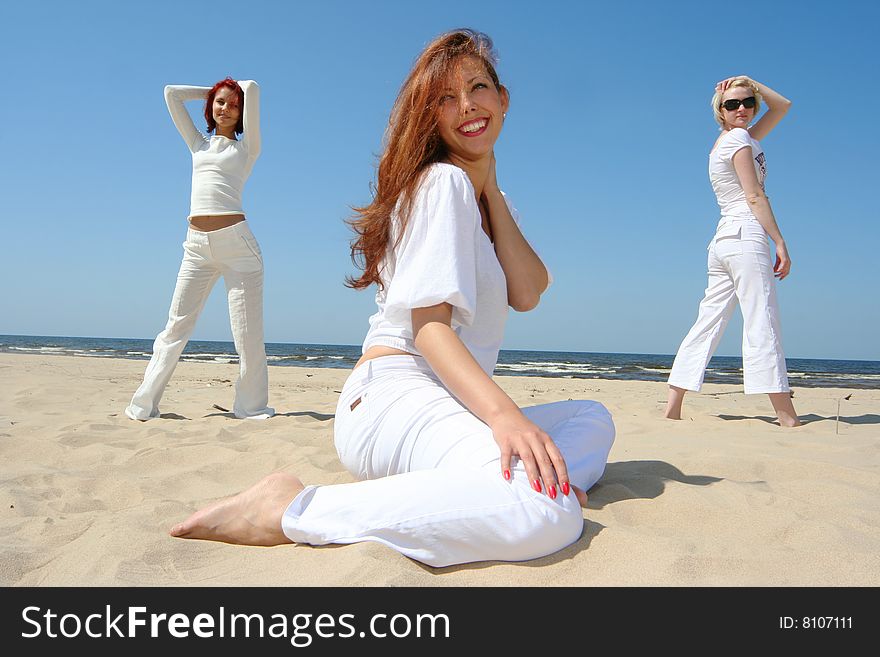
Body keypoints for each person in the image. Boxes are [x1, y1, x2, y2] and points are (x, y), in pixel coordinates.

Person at [170, 29, 615, 567]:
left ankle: (506, 484)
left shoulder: (484, 199)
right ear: (429, 117)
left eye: (478, 88)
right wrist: (504, 418)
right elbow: (429, 328)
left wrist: (492, 190)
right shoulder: (441, 185)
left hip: (447, 402)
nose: (468, 106)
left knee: (592, 417)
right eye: (446, 98)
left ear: (504, 99)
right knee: (547, 513)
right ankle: (289, 508)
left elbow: (528, 292)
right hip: (392, 395)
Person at [125, 77, 274, 421]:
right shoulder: (198, 144)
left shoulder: (247, 149)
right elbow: (171, 95)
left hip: (238, 246)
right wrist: (211, 91)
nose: (226, 108)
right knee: (176, 326)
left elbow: (251, 87)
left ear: (243, 114)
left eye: (233, 105)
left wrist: (237, 87)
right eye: (220, 103)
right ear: (210, 107)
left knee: (247, 334)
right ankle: (144, 405)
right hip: (195, 247)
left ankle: (250, 407)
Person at [665, 76, 800, 427]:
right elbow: (754, 195)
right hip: (745, 234)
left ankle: (673, 405)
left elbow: (782, 106)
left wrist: (749, 81)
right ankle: (786, 416)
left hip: (724, 239)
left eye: (748, 103)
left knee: (708, 321)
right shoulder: (740, 139)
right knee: (762, 319)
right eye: (732, 104)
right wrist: (780, 241)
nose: (742, 109)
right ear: (720, 112)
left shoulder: (730, 140)